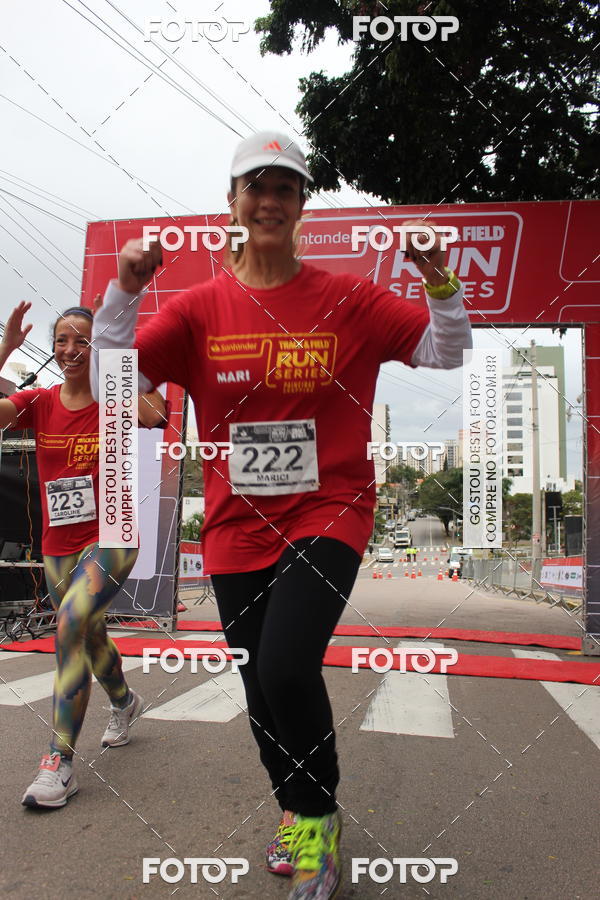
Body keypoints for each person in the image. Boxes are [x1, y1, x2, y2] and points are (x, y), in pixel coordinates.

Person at [90, 131, 472, 899]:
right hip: (236, 526)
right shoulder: (198, 310)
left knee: (286, 666)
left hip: (330, 508)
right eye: (256, 187)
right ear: (232, 203)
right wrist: (123, 294)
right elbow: (113, 385)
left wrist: (437, 277)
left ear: (302, 206)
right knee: (260, 689)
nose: (269, 201)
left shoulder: (348, 299)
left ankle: (319, 824)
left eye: (285, 189)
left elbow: (446, 352)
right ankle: (296, 811)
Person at [0, 300, 166, 808]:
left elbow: (157, 414)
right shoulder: (38, 402)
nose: (71, 350)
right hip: (58, 544)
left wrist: (124, 357)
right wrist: (5, 349)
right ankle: (125, 701)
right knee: (88, 634)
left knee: (70, 624)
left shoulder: (115, 398)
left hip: (112, 533)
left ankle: (59, 762)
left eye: (83, 341)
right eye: (62, 341)